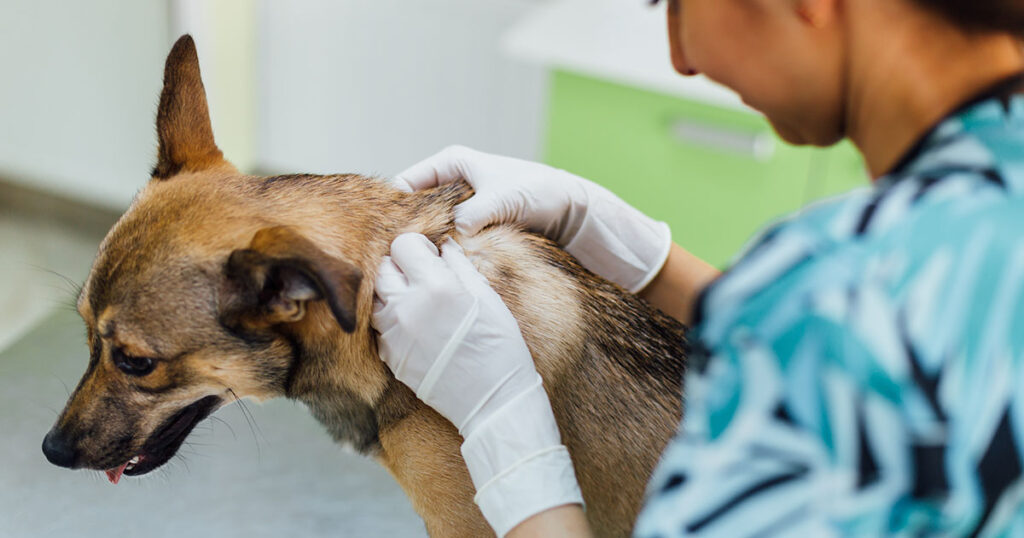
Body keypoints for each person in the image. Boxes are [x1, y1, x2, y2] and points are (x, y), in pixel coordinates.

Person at [370, 0, 1024, 535]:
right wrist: (639, 255)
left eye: (675, 6)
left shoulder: (837, 293)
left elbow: (844, 325)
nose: (683, 61)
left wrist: (504, 430)